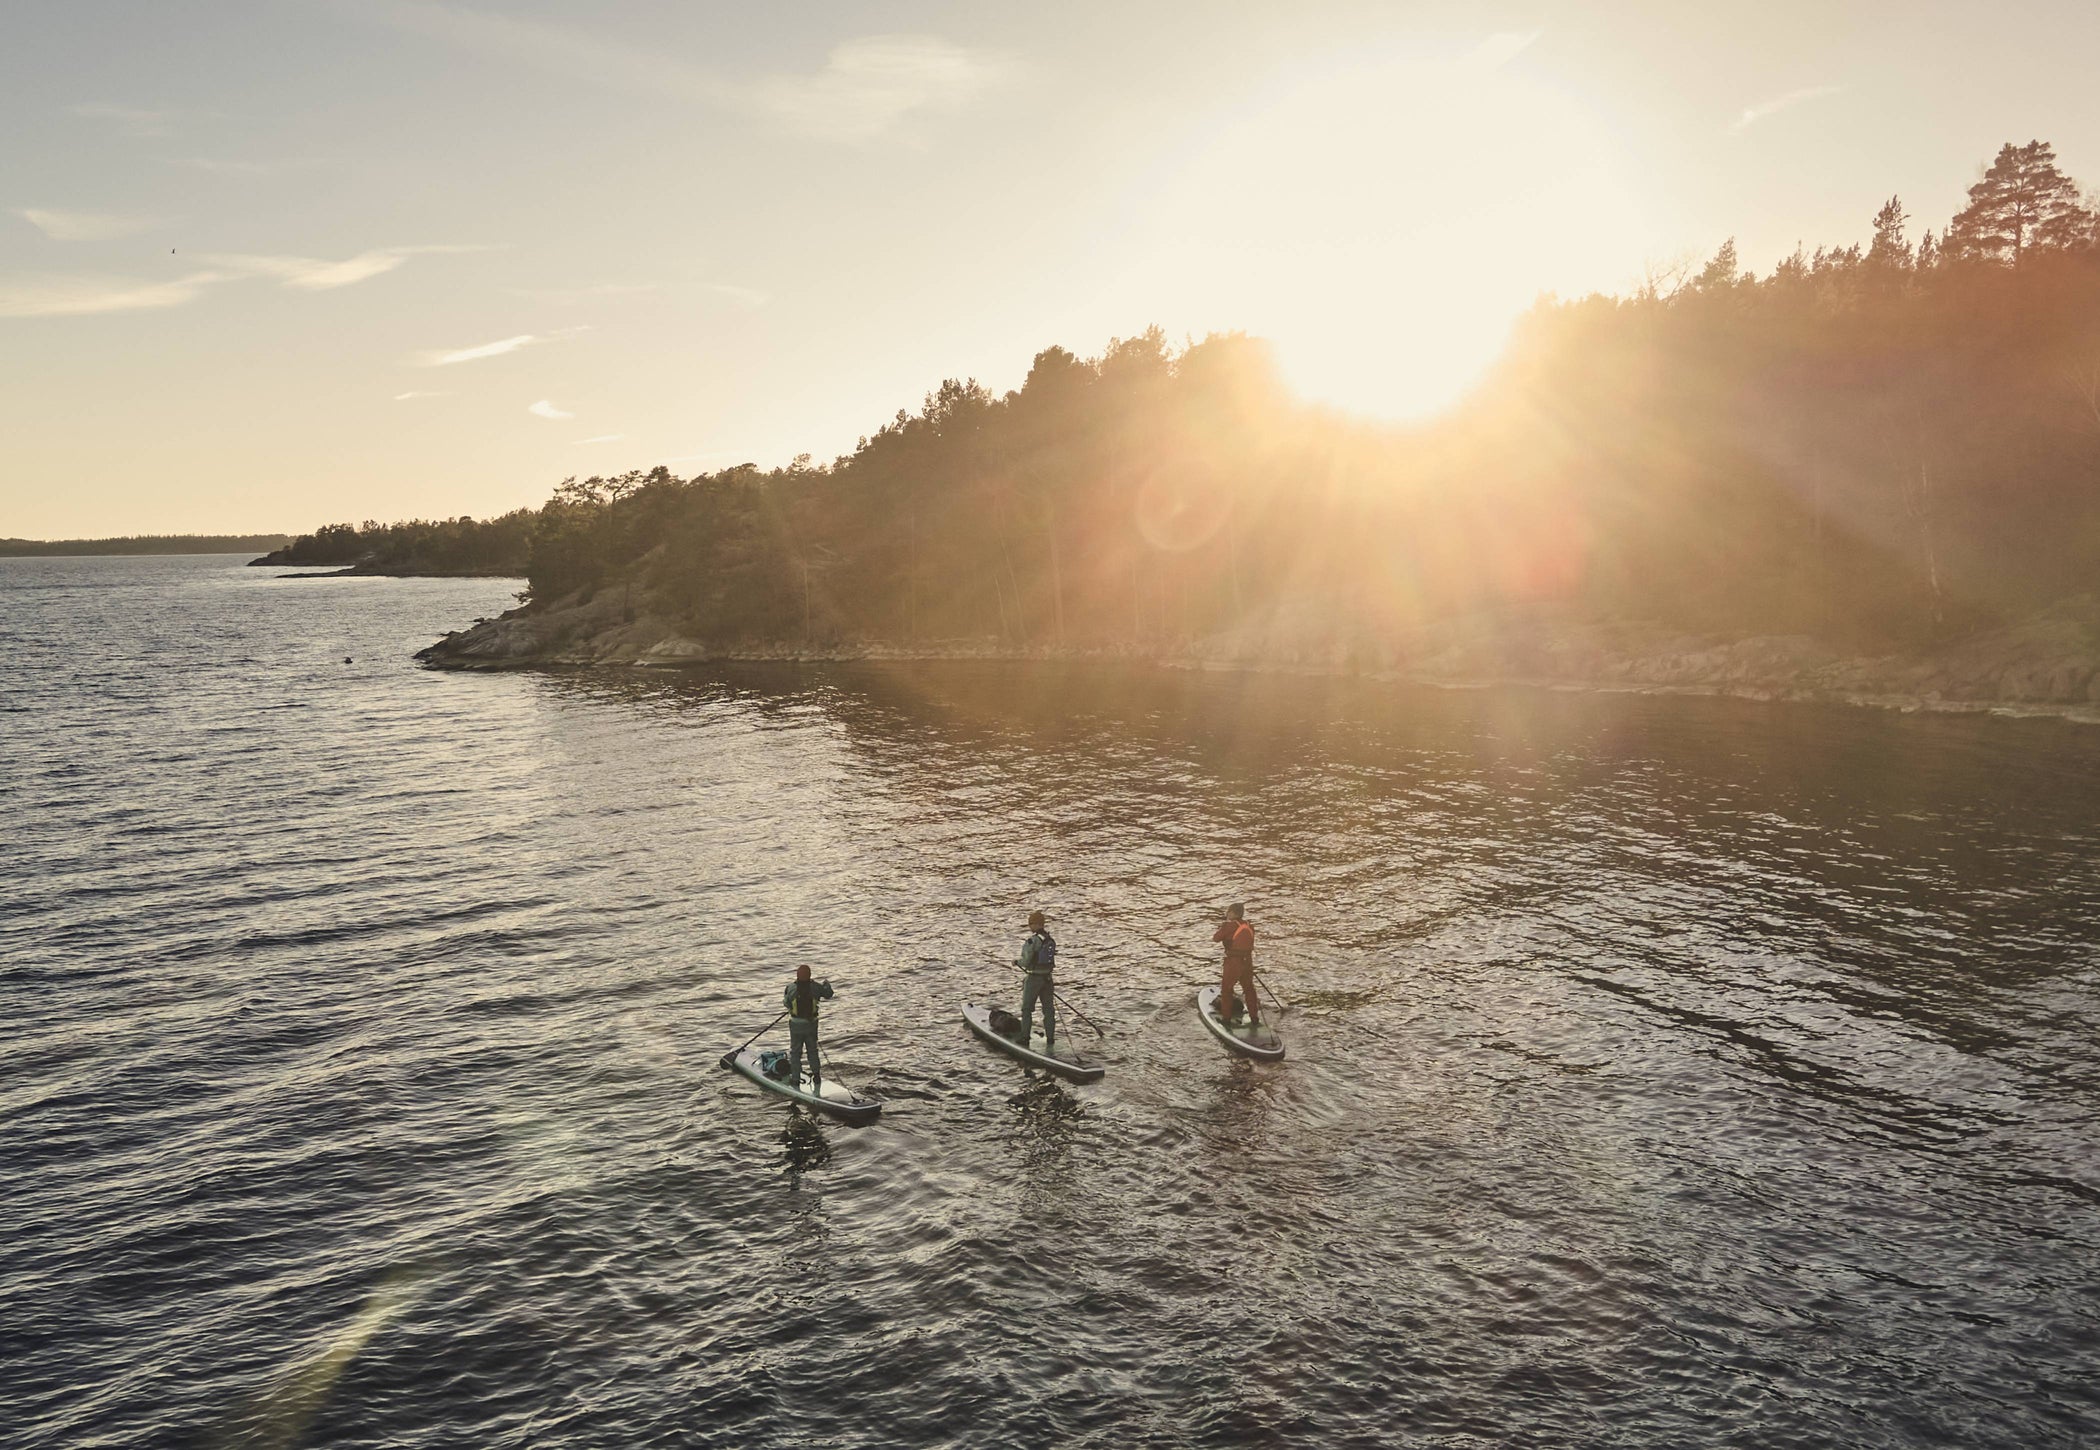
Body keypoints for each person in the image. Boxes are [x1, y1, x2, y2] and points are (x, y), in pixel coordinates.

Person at [783, 964, 834, 1094]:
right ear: (810, 975)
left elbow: (786, 1003)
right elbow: (828, 994)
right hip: (811, 1024)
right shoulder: (816, 987)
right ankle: (816, 1076)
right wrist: (826, 984)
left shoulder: (791, 988)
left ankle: (795, 1079)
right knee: (812, 1050)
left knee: (795, 1052)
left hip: (795, 1024)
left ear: (797, 976)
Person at [1016, 909, 1057, 1051]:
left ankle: (1024, 1037)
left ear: (1035, 924)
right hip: (1048, 979)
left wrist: (1016, 962)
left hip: (1034, 979)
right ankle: (1050, 1039)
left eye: (1030, 924)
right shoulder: (1050, 940)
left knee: (1026, 1009)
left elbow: (1026, 961)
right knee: (1049, 1010)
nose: (1029, 926)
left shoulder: (1032, 941)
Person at [1212, 903, 1258, 1026]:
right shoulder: (1250, 926)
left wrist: (1222, 927)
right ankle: (1254, 1018)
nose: (1227, 913)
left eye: (1228, 911)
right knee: (1249, 989)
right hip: (1247, 961)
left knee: (1226, 990)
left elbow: (1216, 938)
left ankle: (1226, 1019)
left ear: (1233, 913)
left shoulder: (1228, 926)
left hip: (1233, 962)